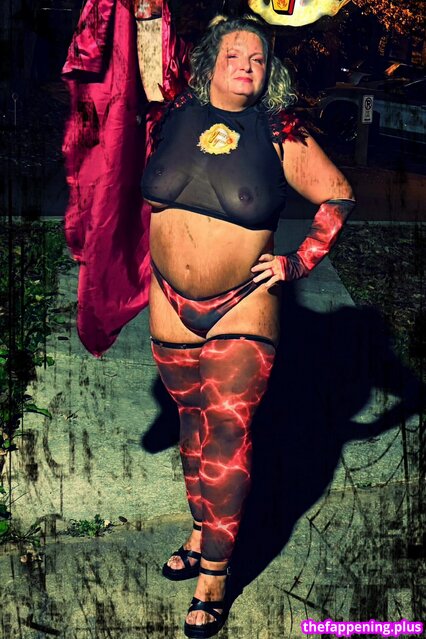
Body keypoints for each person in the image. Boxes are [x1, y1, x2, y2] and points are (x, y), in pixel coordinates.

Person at [141, 14, 355, 638]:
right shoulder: (171, 112)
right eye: (233, 53)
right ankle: (201, 531)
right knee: (191, 425)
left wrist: (298, 261)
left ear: (270, 72)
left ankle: (214, 575)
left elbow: (338, 194)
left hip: (243, 306)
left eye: (258, 59)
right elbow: (143, 43)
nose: (246, 65)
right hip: (168, 299)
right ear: (209, 60)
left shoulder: (280, 132)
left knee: (228, 434)